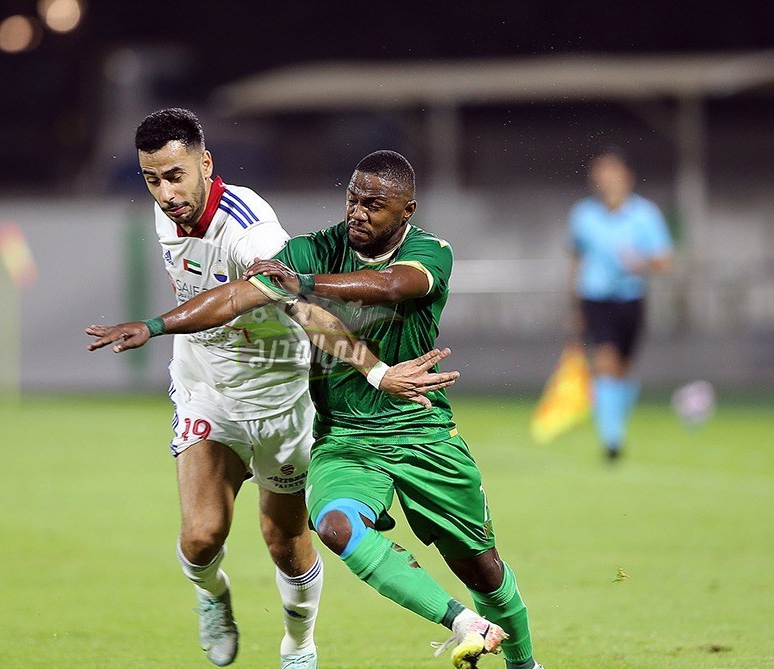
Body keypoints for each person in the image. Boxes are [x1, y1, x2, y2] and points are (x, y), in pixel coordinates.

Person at [88, 150, 542, 669]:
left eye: (375, 204)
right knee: (334, 526)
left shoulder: (432, 252)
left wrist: (303, 284)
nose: (358, 212)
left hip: (421, 431)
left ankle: (525, 664)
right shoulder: (312, 249)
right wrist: (153, 326)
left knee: (483, 569)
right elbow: (238, 296)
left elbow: (393, 285)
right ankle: (462, 623)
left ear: (407, 211)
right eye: (353, 198)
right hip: (343, 437)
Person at [568, 148, 674, 461]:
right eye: (599, 173)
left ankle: (615, 421)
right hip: (596, 298)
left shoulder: (645, 215)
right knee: (606, 362)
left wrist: (641, 262)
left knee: (624, 369)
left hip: (631, 298)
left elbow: (665, 261)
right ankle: (611, 439)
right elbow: (575, 260)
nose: (605, 179)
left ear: (627, 177)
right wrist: (574, 307)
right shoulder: (583, 215)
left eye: (611, 172)